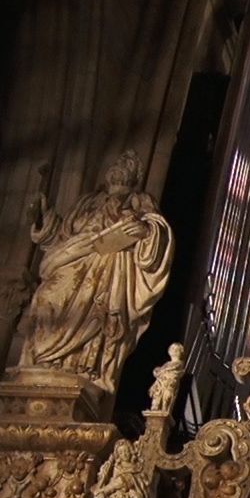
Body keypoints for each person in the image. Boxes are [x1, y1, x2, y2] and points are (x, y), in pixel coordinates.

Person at [20, 151, 173, 382]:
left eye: (127, 164)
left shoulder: (140, 202)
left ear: (136, 175)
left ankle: (77, 367)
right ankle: (43, 362)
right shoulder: (88, 202)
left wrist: (145, 232)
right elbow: (61, 237)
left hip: (106, 269)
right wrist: (43, 220)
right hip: (70, 263)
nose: (120, 166)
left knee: (95, 315)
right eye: (118, 162)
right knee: (45, 300)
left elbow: (156, 233)